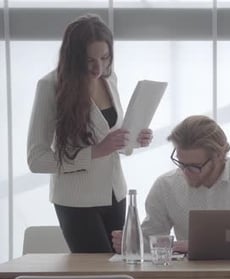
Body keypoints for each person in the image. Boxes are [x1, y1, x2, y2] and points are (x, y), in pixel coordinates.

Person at [27, 14, 153, 253]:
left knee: (122, 268)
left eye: (105, 58)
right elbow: (36, 159)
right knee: (96, 273)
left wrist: (135, 140)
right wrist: (94, 152)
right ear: (73, 58)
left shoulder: (109, 78)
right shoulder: (50, 86)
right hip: (77, 201)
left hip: (116, 193)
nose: (99, 68)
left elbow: (110, 135)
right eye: (90, 60)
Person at [111, 115, 230, 253]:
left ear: (219, 155)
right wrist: (131, 242)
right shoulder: (166, 185)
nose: (185, 172)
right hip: (189, 274)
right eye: (181, 163)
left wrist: (196, 246)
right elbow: (151, 239)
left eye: (194, 167)